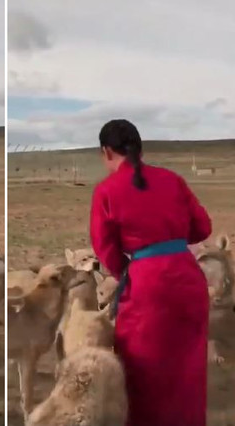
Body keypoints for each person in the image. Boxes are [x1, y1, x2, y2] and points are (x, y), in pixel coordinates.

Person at [90, 120, 211, 426]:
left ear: (106, 152)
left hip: (146, 285)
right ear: (140, 149)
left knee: (141, 367)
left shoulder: (107, 191)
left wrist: (129, 270)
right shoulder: (172, 180)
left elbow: (105, 249)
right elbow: (203, 227)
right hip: (187, 278)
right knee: (188, 369)